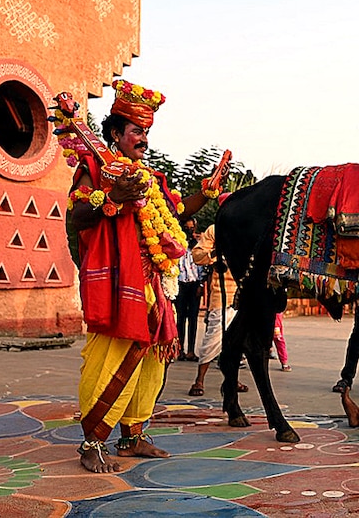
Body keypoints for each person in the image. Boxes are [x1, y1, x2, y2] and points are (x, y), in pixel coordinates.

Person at [67, 80, 222, 473]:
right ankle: (91, 442)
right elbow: (77, 216)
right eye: (137, 131)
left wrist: (204, 193)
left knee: (152, 361)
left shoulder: (149, 179)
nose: (144, 139)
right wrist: (113, 199)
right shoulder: (95, 168)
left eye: (148, 132)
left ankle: (132, 437)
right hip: (120, 283)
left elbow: (174, 211)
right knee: (110, 359)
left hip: (155, 281)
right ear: (116, 133)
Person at [189, 205, 249, 397]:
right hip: (222, 294)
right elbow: (197, 256)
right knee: (213, 337)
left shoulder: (247, 228)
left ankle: (232, 380)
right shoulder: (215, 231)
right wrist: (217, 252)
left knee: (238, 342)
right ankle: (199, 380)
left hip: (245, 293)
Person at [175, 218, 204, 361]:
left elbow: (202, 266)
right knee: (180, 319)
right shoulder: (177, 244)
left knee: (193, 318)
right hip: (180, 284)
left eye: (192, 228)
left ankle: (191, 351)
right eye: (187, 228)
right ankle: (179, 350)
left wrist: (201, 285)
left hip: (194, 285)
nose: (189, 231)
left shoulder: (198, 246)